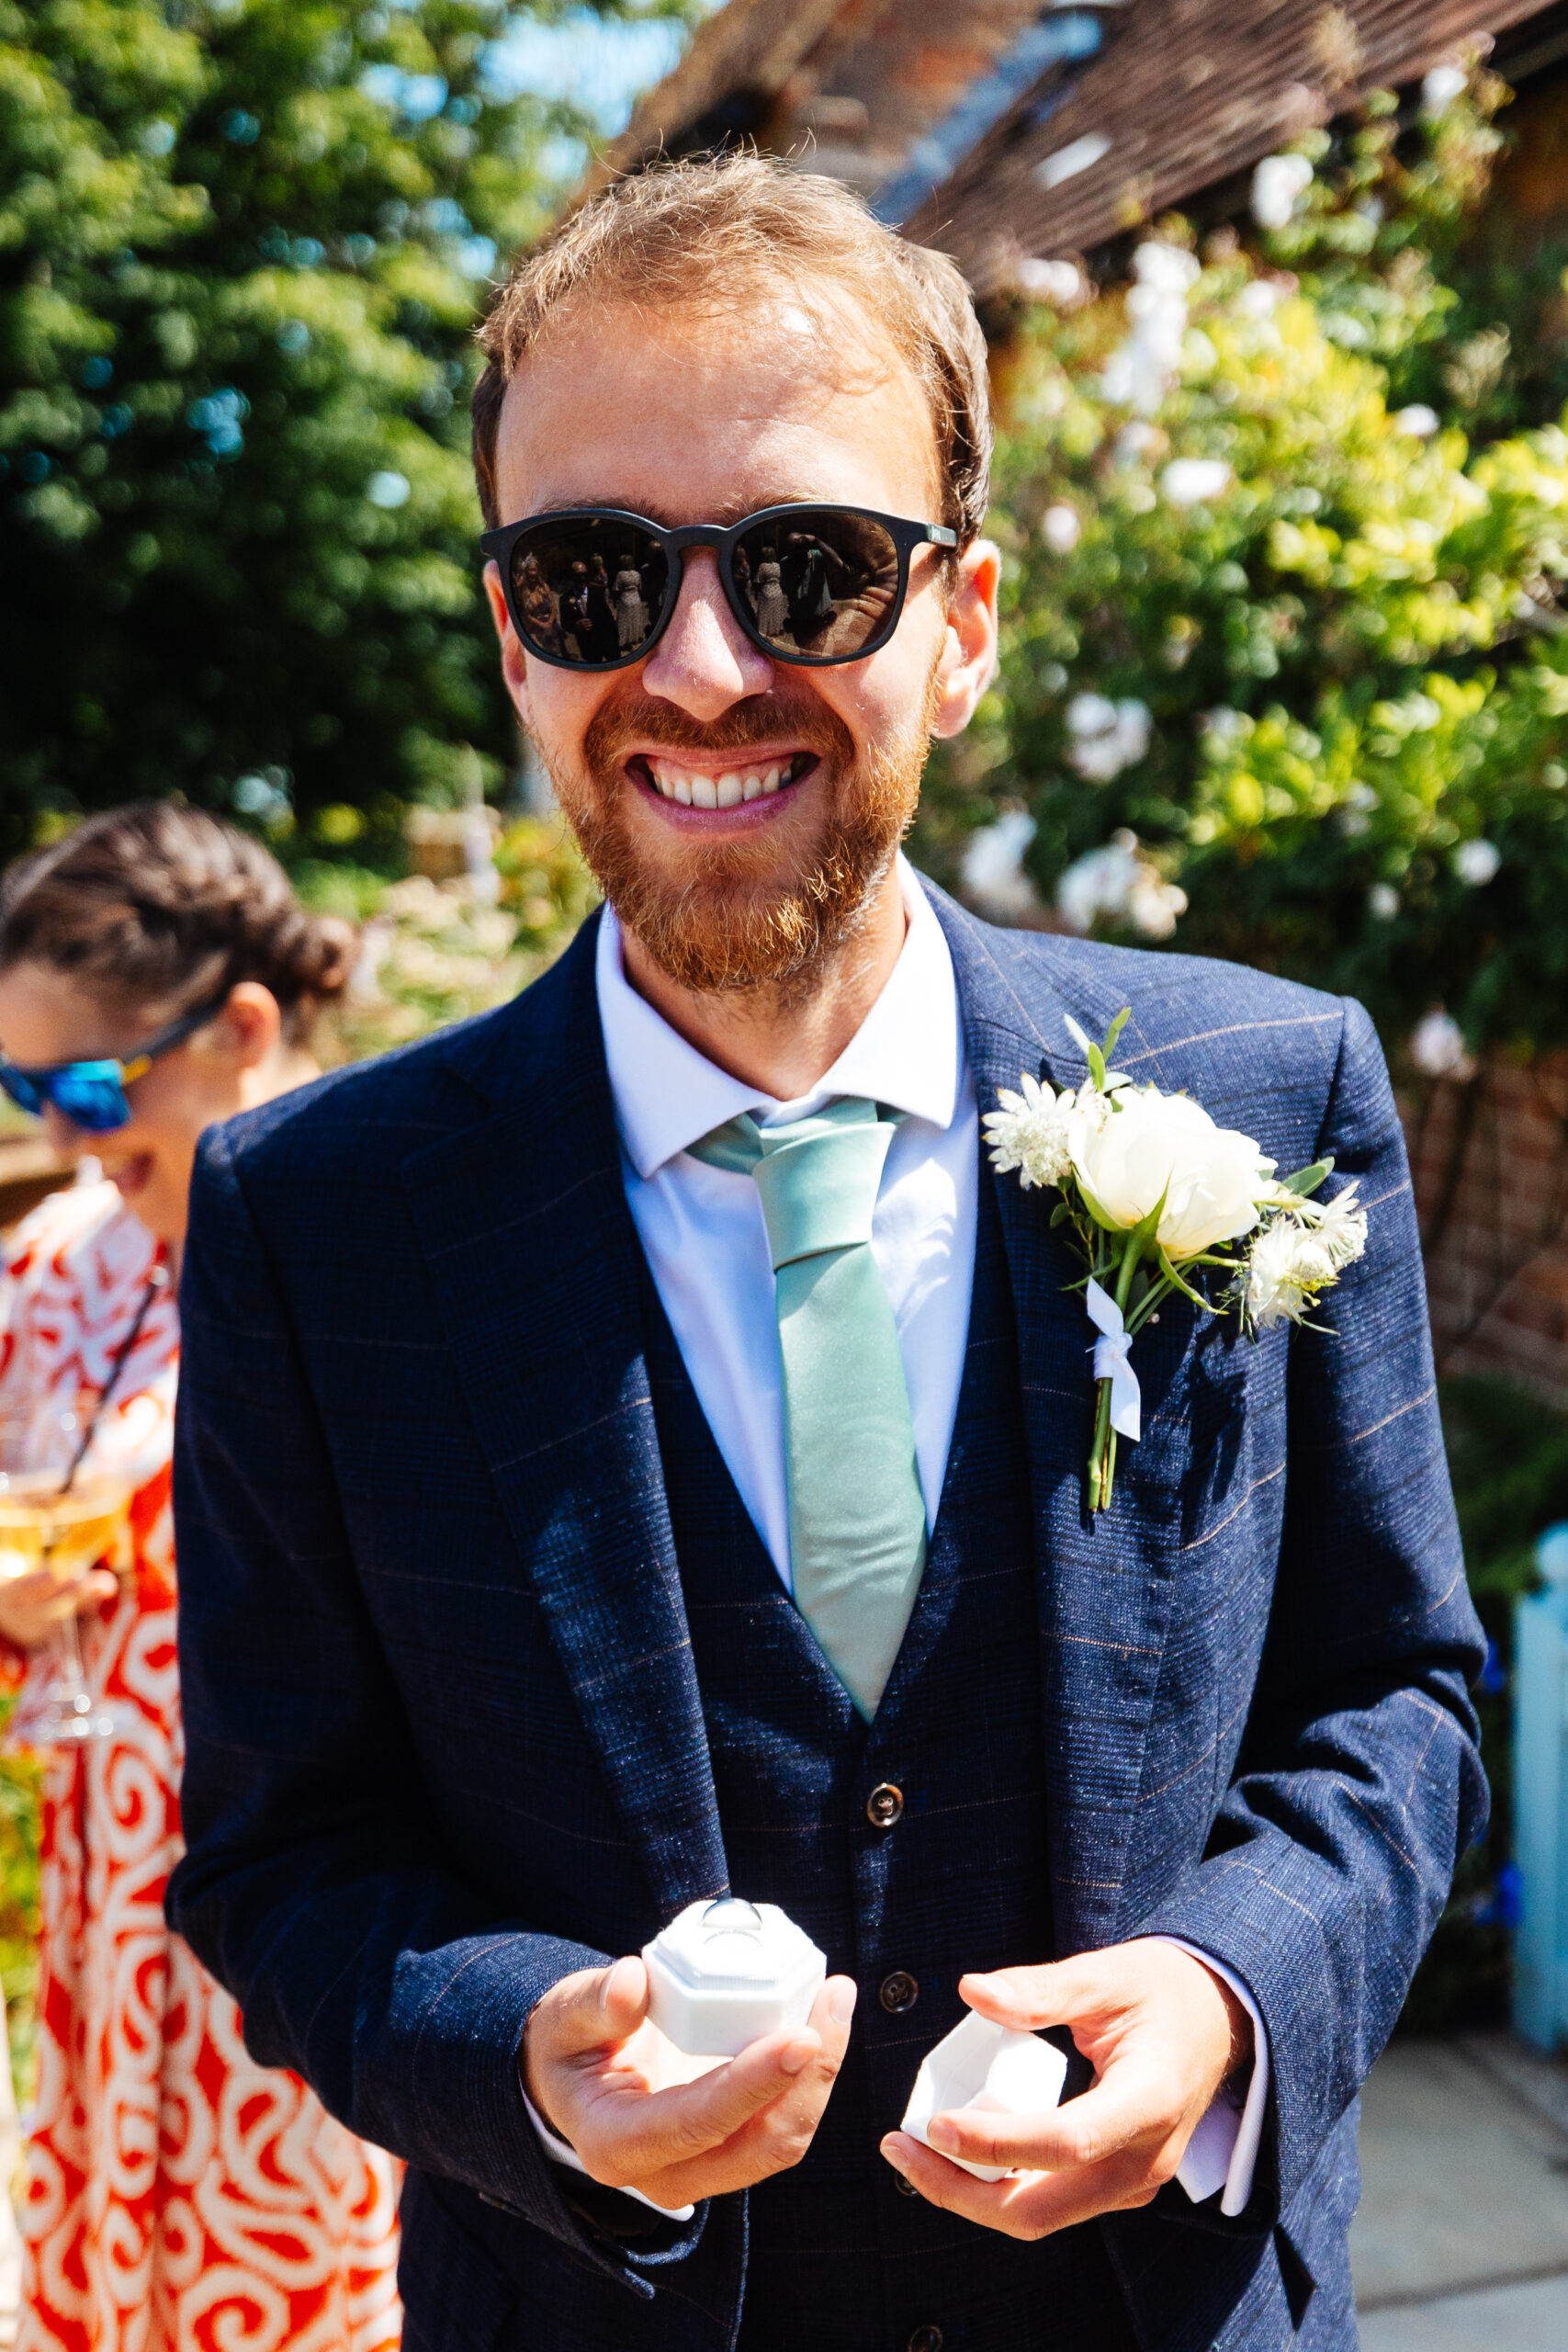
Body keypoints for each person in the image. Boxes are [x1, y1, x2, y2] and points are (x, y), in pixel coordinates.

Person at [168, 155, 1486, 2352]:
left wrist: (1229, 1987)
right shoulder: (317, 1219)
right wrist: (531, 2060)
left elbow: (1398, 1697)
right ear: (511, 634)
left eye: (805, 568)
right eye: (592, 574)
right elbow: (282, 1858)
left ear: (956, 626)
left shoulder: (1272, 1092)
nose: (695, 667)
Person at [0, 805, 402, 2352]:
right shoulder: (56, 1266)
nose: (59, 1133)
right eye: (22, 1087)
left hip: (313, 1970)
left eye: (91, 1082)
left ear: (242, 1026)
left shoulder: (384, 1253)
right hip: (106, 1952)